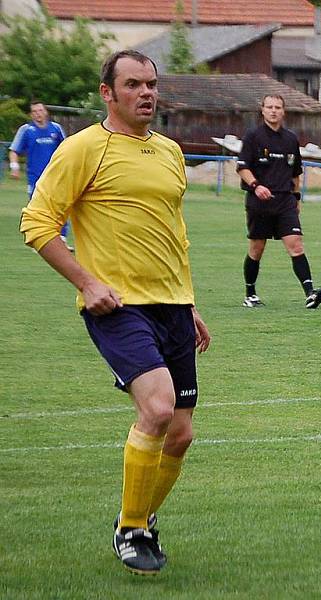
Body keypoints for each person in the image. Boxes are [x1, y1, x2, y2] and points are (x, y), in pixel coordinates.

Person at [20, 50, 212, 575]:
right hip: (118, 305)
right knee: (156, 409)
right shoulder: (83, 149)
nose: (146, 93)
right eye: (132, 85)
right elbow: (37, 223)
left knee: (181, 433)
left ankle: (141, 520)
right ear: (108, 92)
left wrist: (189, 301)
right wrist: (87, 281)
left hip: (173, 305)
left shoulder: (170, 151)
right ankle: (130, 528)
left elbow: (175, 234)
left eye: (151, 84)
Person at [236, 94, 321, 309]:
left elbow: (295, 173)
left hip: (285, 201)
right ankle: (250, 293)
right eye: (269, 107)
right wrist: (257, 186)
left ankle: (310, 293)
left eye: (278, 107)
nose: (273, 111)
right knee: (257, 249)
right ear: (263, 110)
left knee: (295, 244)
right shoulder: (253, 136)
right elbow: (242, 168)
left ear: (283, 111)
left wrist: (296, 198)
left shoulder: (290, 139)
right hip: (259, 203)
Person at [9, 101, 69, 247]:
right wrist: (14, 167)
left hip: (56, 177)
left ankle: (62, 241)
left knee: (62, 206)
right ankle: (39, 241)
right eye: (34, 111)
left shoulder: (56, 128)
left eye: (40, 110)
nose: (38, 113)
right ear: (31, 114)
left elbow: (67, 149)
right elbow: (14, 150)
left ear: (46, 112)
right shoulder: (27, 130)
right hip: (35, 178)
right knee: (38, 211)